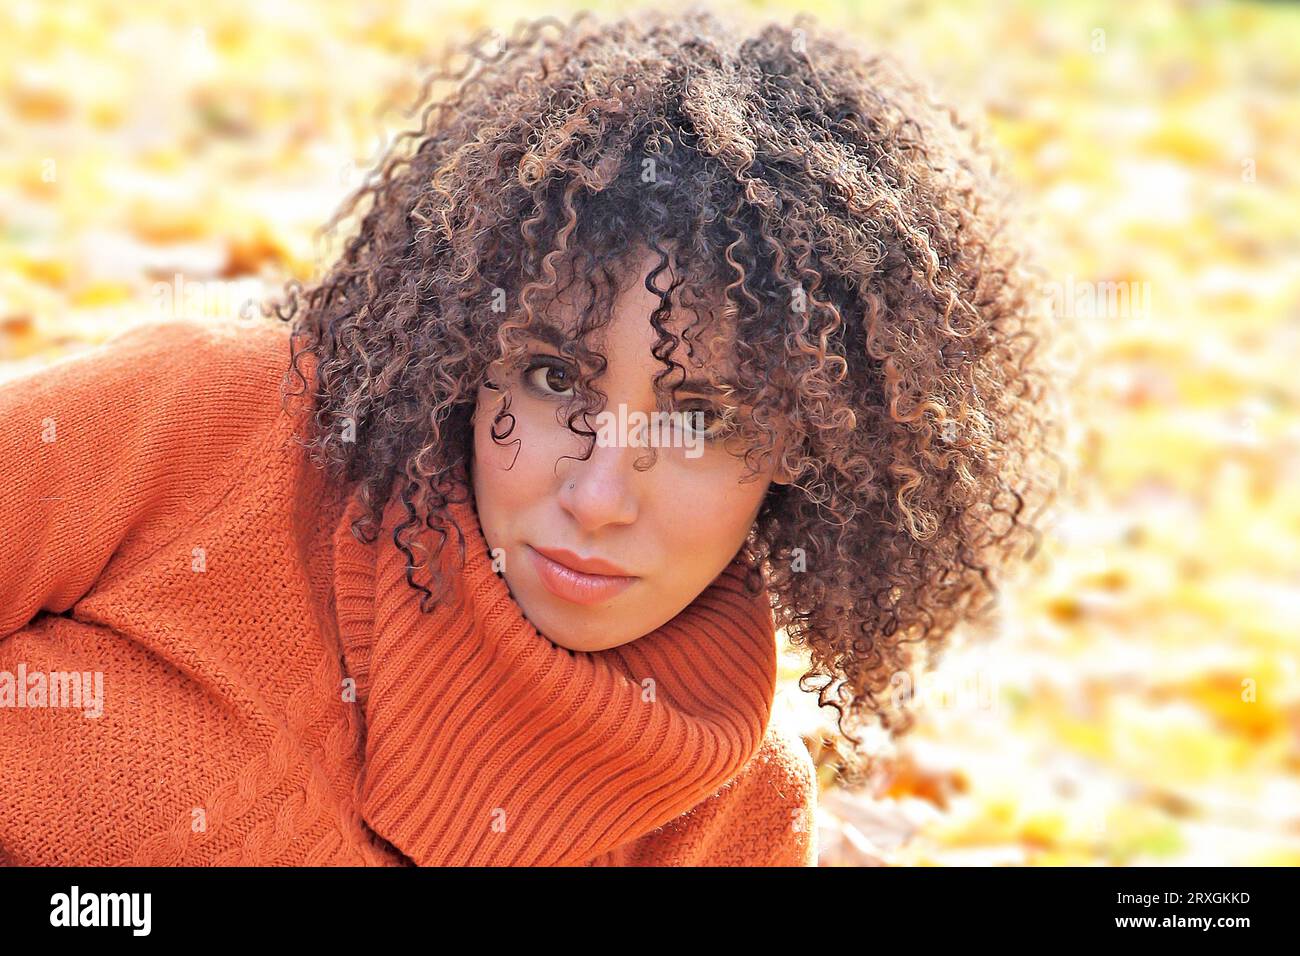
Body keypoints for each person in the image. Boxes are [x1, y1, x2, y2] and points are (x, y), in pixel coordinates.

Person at [0, 5, 1058, 866]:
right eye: (556, 379)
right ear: (466, 347)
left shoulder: (732, 818)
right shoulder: (205, 426)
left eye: (701, 419)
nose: (599, 494)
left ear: (811, 450)